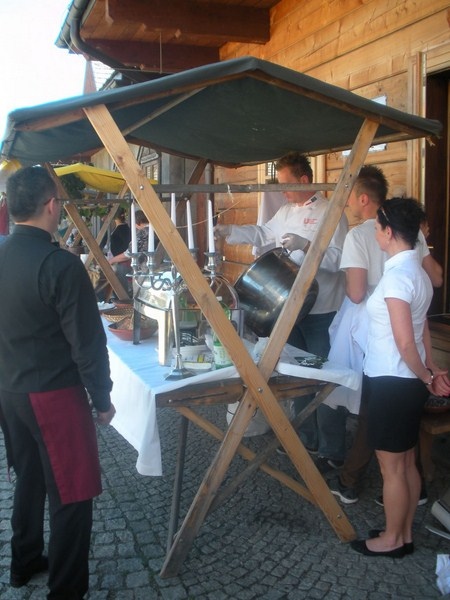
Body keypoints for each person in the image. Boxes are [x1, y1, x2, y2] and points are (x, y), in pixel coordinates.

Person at [0, 166, 116, 599]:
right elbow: (88, 344)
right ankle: (65, 591)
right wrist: (102, 399)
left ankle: (24, 561)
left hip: (9, 388)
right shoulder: (61, 265)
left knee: (29, 478)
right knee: (71, 491)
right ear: (52, 205)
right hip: (53, 394)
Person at [214, 151, 348, 455]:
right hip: (290, 308)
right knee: (297, 375)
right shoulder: (287, 211)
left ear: (305, 180)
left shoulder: (331, 212)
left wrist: (307, 246)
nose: (282, 191)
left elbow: (340, 260)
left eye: (286, 184)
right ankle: (306, 440)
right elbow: (263, 233)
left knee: (324, 379)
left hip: (322, 310)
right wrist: (230, 231)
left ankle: (332, 452)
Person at [328, 166, 443, 502]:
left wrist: (427, 374)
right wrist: (428, 367)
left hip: (384, 345)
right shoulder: (412, 242)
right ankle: (410, 493)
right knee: (397, 429)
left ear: (364, 198)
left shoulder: (363, 240)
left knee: (378, 420)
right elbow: (435, 281)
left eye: (350, 196)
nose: (347, 202)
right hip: (410, 347)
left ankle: (353, 481)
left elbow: (356, 294)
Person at [350, 197, 450, 557]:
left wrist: (426, 375)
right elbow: (420, 328)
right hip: (404, 382)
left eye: (378, 228)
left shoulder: (396, 278)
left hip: (393, 381)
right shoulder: (417, 274)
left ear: (390, 232)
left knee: (391, 467)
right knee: (406, 462)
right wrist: (430, 369)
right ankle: (403, 532)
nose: (376, 233)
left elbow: (406, 342)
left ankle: (392, 539)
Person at [108, 206, 132, 295]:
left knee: (122, 288)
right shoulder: (120, 228)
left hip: (122, 262)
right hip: (118, 260)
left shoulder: (123, 229)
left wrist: (115, 259)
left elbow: (126, 246)